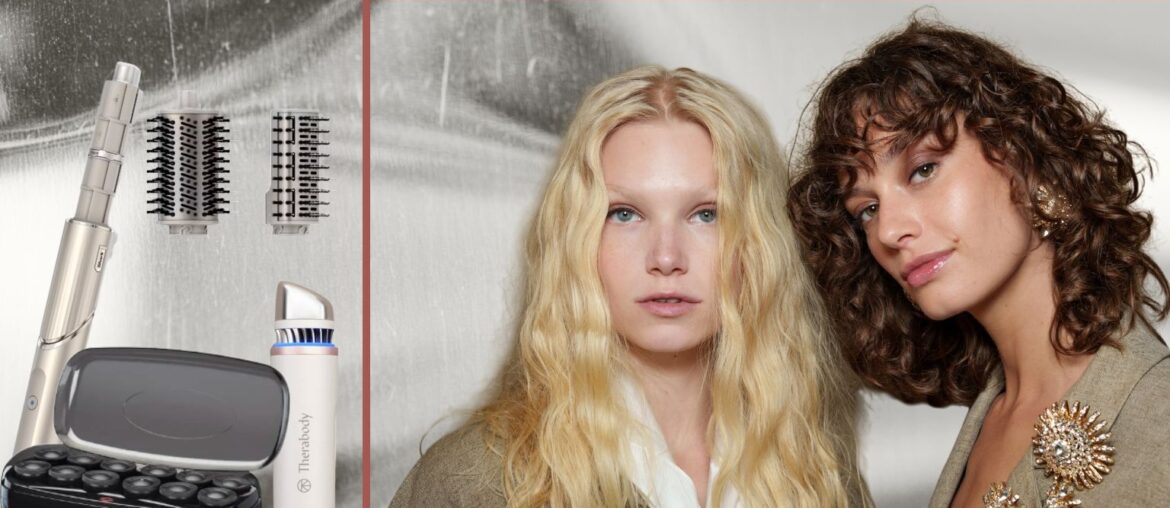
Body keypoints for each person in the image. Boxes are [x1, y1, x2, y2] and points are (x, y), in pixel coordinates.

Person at [390, 65, 866, 507]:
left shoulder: (816, 471)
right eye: (625, 214)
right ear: (576, 242)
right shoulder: (478, 480)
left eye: (706, 214)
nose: (666, 258)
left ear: (759, 245)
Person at [788, 18, 1170, 508]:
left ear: (1022, 156)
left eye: (923, 169)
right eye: (868, 208)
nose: (888, 231)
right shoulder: (991, 415)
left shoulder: (1157, 416)